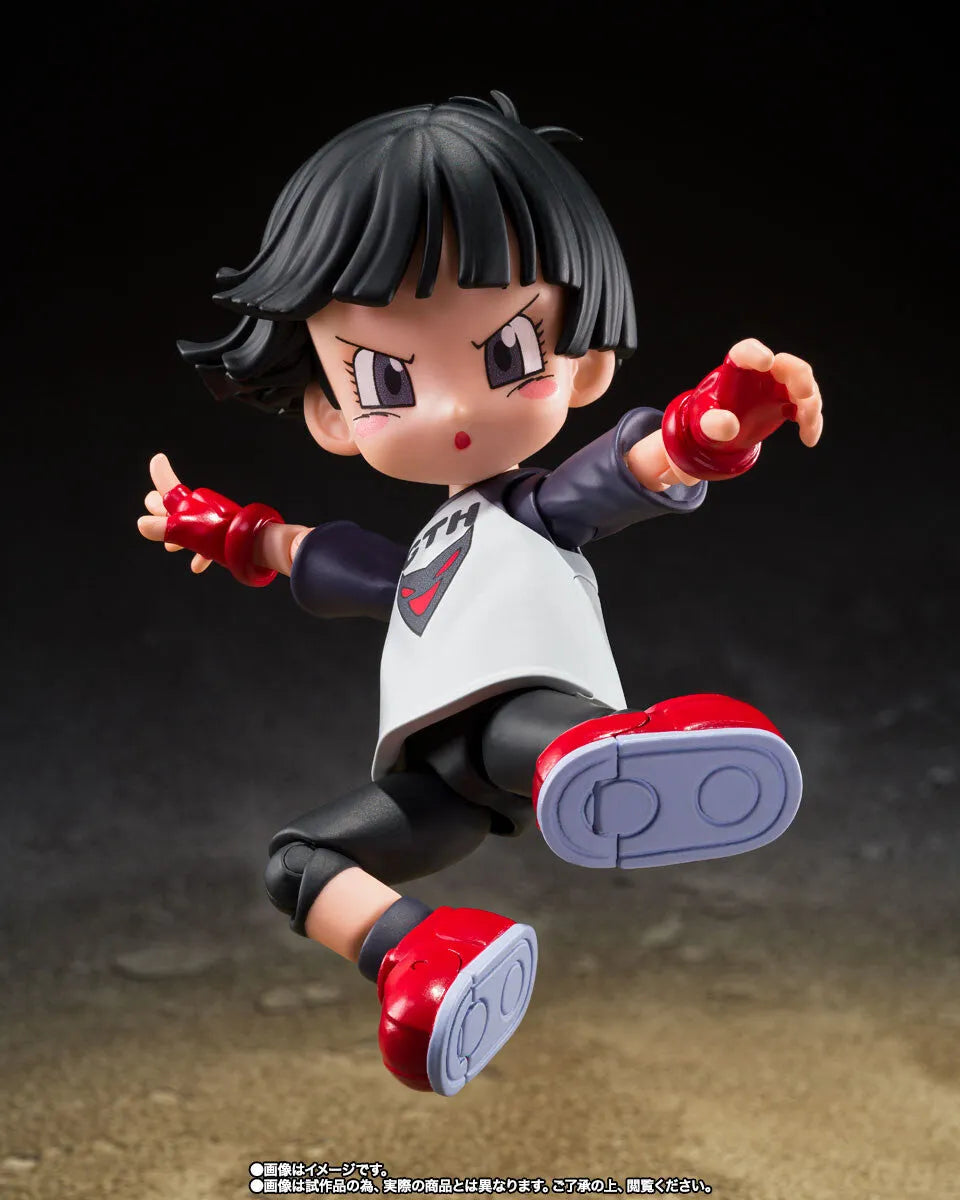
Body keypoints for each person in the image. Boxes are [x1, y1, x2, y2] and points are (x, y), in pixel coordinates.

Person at [138, 92, 823, 1096]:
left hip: (532, 726)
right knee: (296, 862)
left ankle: (628, 762)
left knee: (525, 732)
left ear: (583, 363)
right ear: (331, 412)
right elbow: (323, 559)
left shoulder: (527, 509)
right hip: (437, 781)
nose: (456, 406)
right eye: (387, 379)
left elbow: (620, 476)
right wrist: (230, 531)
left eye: (509, 354)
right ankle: (424, 956)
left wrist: (705, 430)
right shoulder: (423, 553)